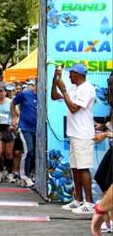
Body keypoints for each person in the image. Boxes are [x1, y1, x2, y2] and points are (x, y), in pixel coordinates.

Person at [52, 63, 96, 214]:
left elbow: (73, 108)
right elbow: (54, 96)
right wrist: (55, 80)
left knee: (83, 168)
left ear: (78, 74)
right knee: (75, 168)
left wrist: (63, 88)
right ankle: (78, 200)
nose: (69, 76)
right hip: (74, 133)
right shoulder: (74, 88)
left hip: (83, 134)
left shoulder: (88, 88)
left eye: (71, 74)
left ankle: (89, 203)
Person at [11, 79, 37, 187]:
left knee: (35, 153)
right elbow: (13, 103)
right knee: (28, 150)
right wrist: (14, 117)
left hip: (38, 130)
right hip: (25, 127)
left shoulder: (44, 96)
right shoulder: (25, 94)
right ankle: (24, 176)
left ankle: (31, 174)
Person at [0, 84, 15, 183]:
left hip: (8, 128)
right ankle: (0, 171)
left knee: (9, 154)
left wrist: (13, 124)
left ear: (5, 92)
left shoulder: (11, 102)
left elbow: (15, 115)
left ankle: (9, 173)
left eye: (1, 91)